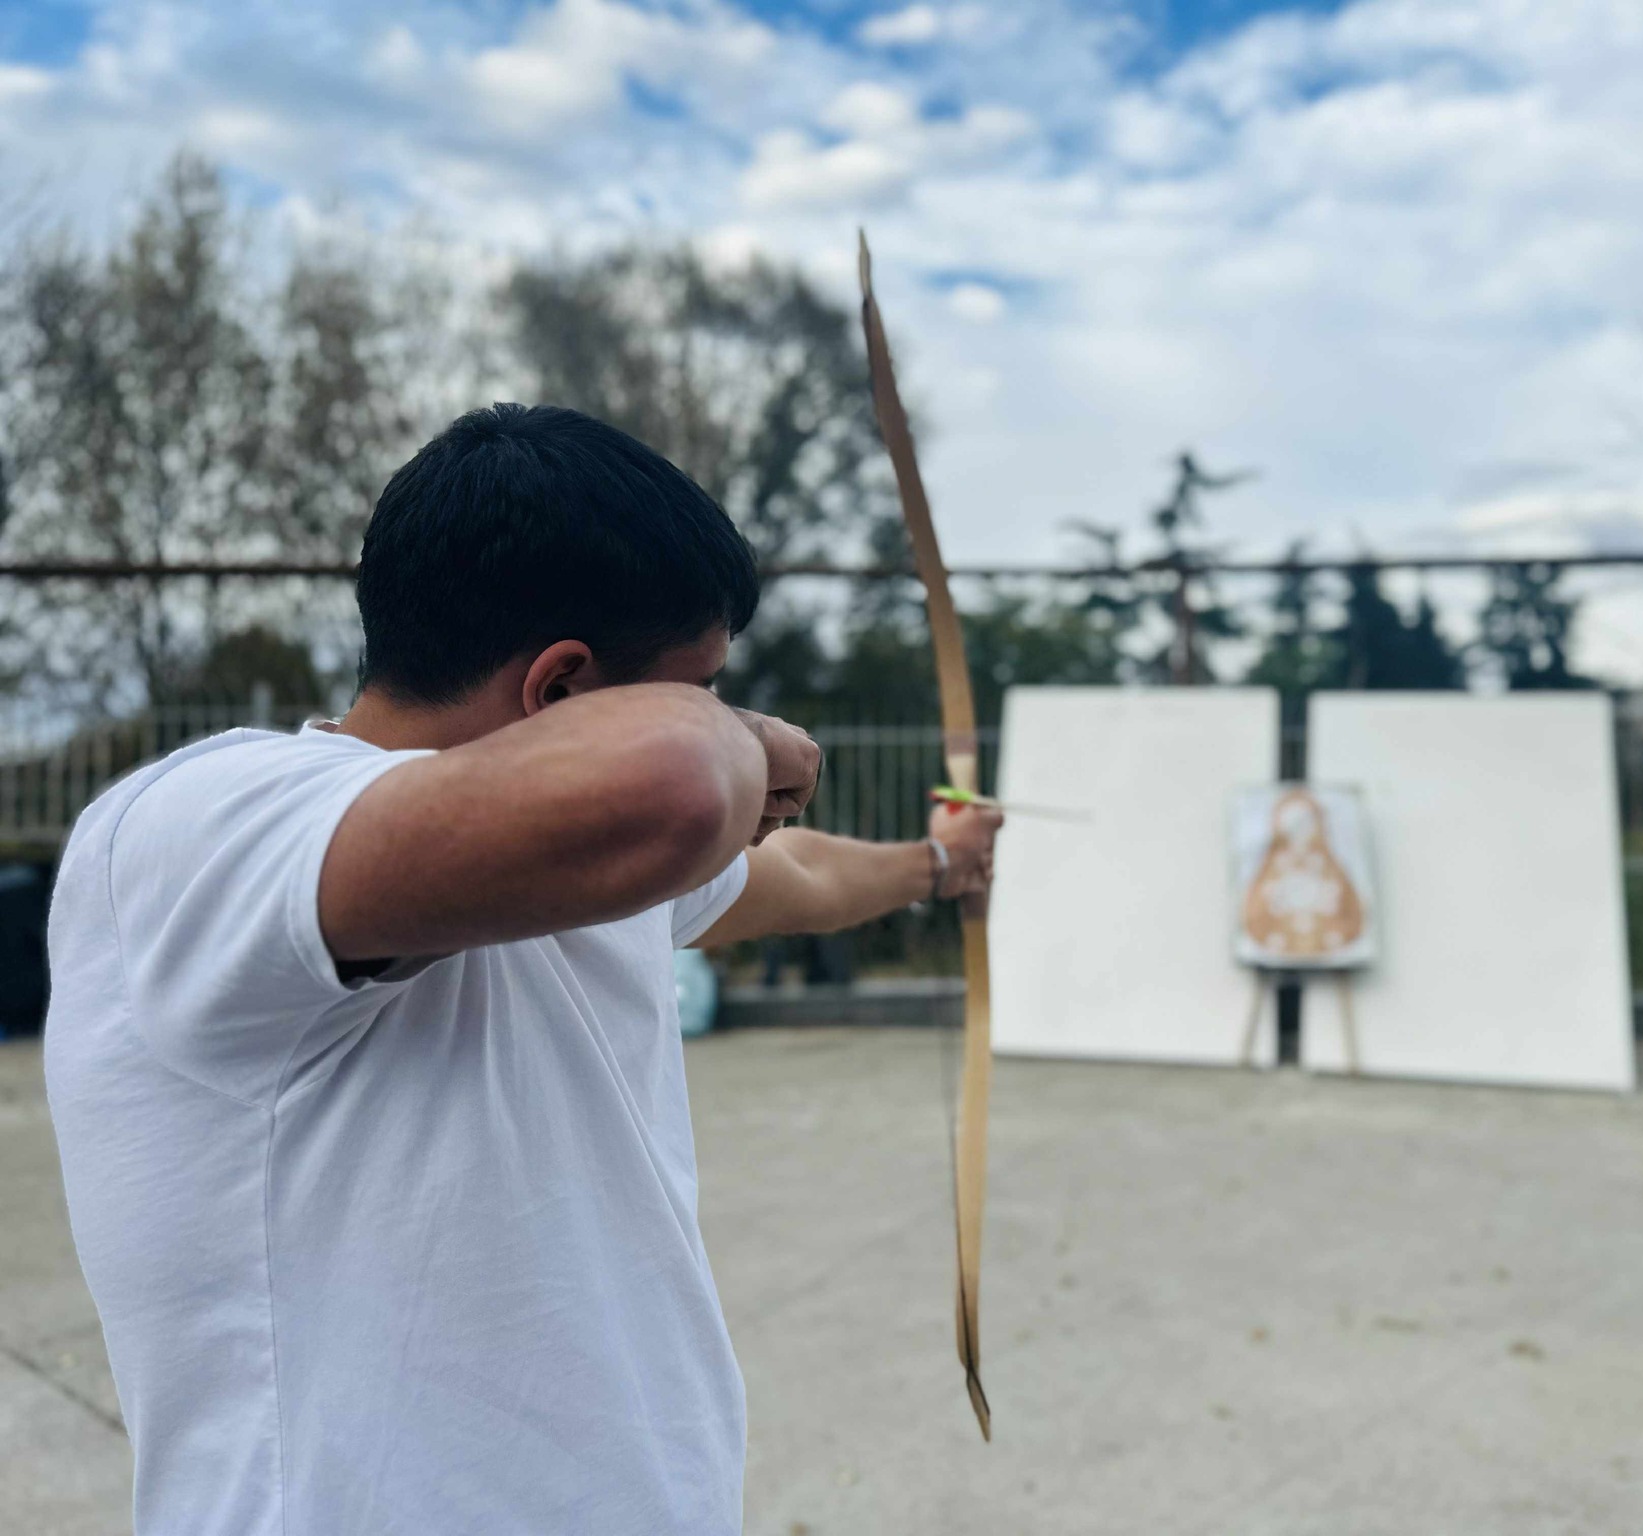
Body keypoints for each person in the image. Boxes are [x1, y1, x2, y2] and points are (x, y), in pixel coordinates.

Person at [41, 403, 1002, 1536]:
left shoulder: (571, 868)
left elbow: (795, 879)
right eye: (692, 686)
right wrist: (742, 734)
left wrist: (936, 865)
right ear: (556, 691)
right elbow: (682, 786)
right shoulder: (207, 825)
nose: (711, 716)